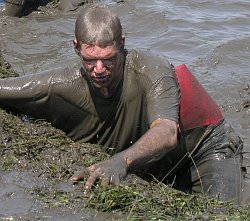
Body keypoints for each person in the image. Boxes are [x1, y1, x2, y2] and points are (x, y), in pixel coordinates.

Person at [0, 6, 244, 203]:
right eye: (90, 60)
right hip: (153, 164)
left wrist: (122, 161)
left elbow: (167, 132)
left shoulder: (152, 70)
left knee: (221, 211)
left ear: (122, 44)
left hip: (204, 149)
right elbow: (10, 88)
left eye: (108, 60)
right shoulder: (63, 83)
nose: (99, 70)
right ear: (76, 47)